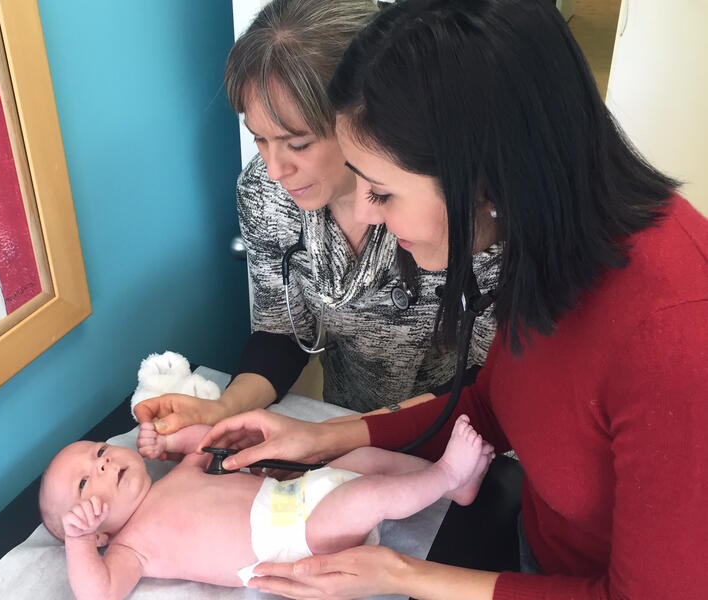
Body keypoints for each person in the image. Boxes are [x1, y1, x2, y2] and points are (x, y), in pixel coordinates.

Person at [198, 0, 708, 598]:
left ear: (482, 179)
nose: (364, 213)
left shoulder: (675, 341)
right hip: (527, 545)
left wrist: (403, 574)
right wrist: (327, 436)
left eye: (382, 192)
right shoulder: (545, 236)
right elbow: (493, 404)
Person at [134, 0, 501, 436]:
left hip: (462, 430)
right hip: (346, 417)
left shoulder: (463, 208)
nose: (275, 169)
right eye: (260, 140)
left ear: (362, 117)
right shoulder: (265, 193)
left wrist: (336, 439)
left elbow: (490, 379)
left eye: (298, 144)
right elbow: (281, 331)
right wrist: (224, 408)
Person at [38, 416, 494, 598]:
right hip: (294, 541)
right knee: (367, 496)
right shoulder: (130, 548)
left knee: (366, 463)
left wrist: (172, 442)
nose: (103, 464)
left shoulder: (177, 477)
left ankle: (459, 489)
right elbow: (99, 593)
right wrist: (79, 541)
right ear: (98, 533)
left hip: (298, 492)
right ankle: (446, 475)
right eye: (84, 482)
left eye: (100, 451)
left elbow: (209, 440)